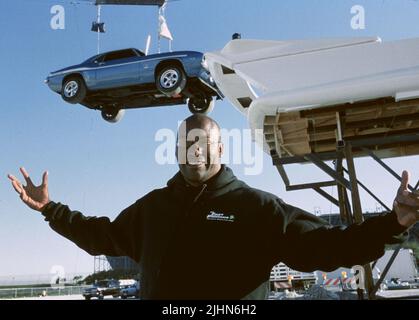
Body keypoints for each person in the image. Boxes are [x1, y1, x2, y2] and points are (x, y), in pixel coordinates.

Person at [7, 115, 419, 299]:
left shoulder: (258, 208)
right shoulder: (153, 208)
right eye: (186, 144)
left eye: (203, 144)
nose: (195, 152)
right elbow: (103, 237)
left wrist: (392, 223)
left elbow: (327, 247)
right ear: (175, 151)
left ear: (221, 148)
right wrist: (51, 209)